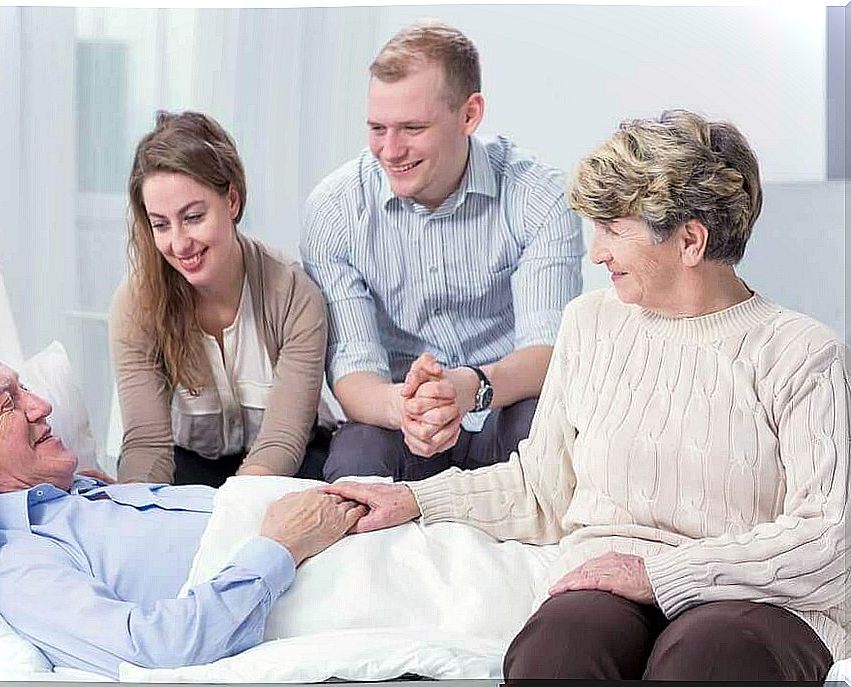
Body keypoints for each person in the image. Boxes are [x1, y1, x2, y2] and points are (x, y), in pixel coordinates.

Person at [324, 110, 848, 680]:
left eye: (613, 228)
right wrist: (415, 499)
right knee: (554, 656)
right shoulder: (590, 322)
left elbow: (828, 534)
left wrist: (660, 576)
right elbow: (541, 490)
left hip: (759, 601)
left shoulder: (802, 353)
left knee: (704, 662)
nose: (595, 252)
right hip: (606, 580)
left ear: (690, 240)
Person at [0, 346, 366, 679]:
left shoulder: (87, 493)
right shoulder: (23, 565)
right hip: (350, 578)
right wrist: (279, 548)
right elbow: (154, 651)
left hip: (365, 528)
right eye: (8, 402)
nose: (42, 404)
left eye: (26, 387)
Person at [301, 20, 584, 482]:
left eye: (412, 128)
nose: (390, 151)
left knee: (545, 430)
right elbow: (355, 371)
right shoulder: (334, 210)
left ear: (469, 115)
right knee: (356, 461)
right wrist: (408, 409)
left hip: (502, 404)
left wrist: (468, 389)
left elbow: (548, 349)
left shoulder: (539, 194)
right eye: (377, 128)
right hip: (398, 418)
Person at [111, 111, 332, 486]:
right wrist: (136, 519)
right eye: (161, 224)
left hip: (288, 466)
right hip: (189, 465)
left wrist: (232, 515)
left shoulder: (294, 295)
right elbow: (147, 444)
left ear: (231, 200)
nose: (179, 244)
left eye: (194, 217)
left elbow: (282, 441)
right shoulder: (136, 303)